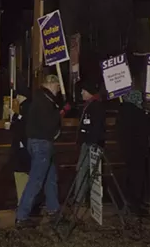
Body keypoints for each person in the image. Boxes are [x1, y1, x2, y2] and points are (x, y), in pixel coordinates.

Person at [15, 74, 70, 228]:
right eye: (58, 86)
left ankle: (54, 210)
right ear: (51, 85)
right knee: (36, 180)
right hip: (42, 144)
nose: (59, 89)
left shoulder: (42, 99)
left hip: (39, 143)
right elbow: (49, 124)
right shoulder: (44, 102)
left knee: (50, 179)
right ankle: (22, 216)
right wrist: (61, 113)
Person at [117, 88, 150, 215]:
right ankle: (135, 204)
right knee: (137, 178)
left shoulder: (123, 112)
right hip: (138, 151)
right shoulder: (136, 113)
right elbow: (145, 130)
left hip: (128, 151)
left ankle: (131, 202)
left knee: (131, 177)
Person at [72, 80, 106, 206]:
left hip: (91, 144)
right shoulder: (89, 105)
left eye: (83, 91)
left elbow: (95, 126)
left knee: (85, 170)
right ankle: (83, 197)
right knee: (84, 169)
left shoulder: (95, 106)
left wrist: (92, 141)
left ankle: (81, 198)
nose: (81, 93)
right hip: (88, 143)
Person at [10, 95, 32, 204]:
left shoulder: (26, 108)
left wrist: (15, 119)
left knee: (22, 179)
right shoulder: (28, 108)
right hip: (25, 151)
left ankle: (24, 205)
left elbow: (21, 127)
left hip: (22, 151)